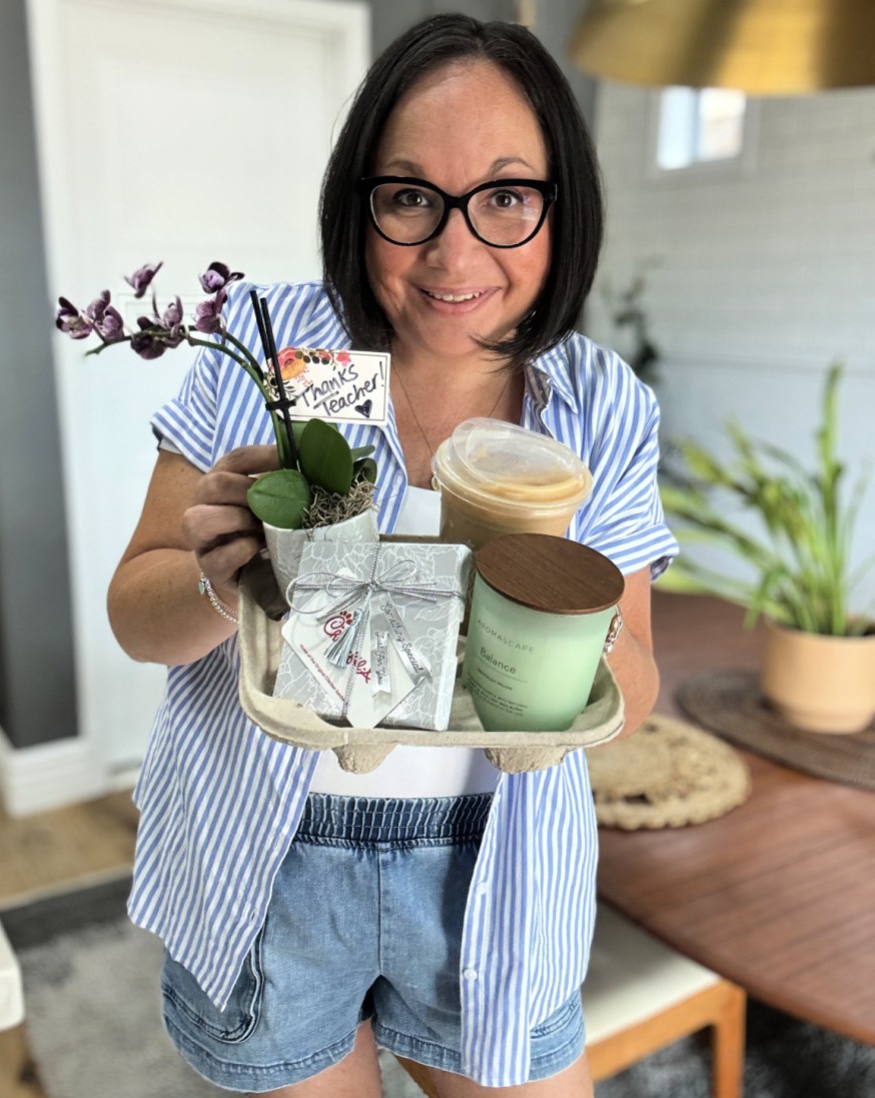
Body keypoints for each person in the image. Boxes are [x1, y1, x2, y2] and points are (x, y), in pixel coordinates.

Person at [108, 13, 677, 1098]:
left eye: (508, 197)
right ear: (358, 201)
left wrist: (563, 632)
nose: (455, 256)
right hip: (264, 858)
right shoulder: (286, 349)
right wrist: (219, 577)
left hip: (496, 868)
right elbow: (137, 620)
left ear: (564, 208)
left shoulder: (595, 404)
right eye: (411, 196)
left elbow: (636, 677)